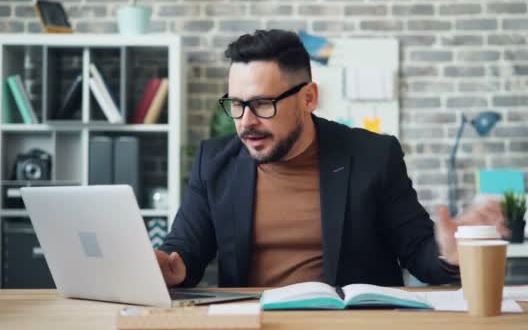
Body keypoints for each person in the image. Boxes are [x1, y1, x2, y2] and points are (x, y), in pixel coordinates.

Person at [155, 29, 507, 288]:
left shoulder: (373, 156)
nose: (246, 121)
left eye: (263, 104)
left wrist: (451, 252)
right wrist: (171, 267)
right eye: (236, 104)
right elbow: (186, 248)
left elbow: (417, 252)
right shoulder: (215, 162)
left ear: (308, 98)